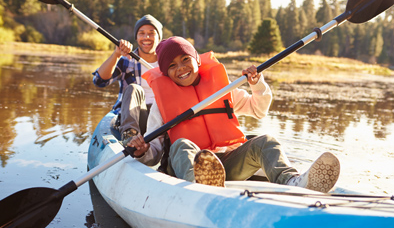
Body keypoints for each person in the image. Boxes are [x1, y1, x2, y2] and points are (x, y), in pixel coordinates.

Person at [128, 36, 340, 193]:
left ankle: (292, 181)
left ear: (197, 60)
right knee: (181, 144)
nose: (181, 68)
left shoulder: (222, 91)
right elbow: (154, 152)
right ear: (165, 73)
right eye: (172, 66)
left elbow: (258, 109)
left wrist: (256, 85)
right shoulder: (161, 105)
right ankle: (197, 187)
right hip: (188, 168)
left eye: (185, 59)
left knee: (266, 141)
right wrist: (142, 150)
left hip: (227, 164)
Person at [92, 14, 163, 143]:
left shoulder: (167, 64)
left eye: (151, 33)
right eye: (141, 33)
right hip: (135, 116)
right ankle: (130, 136)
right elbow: (99, 81)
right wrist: (116, 55)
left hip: (160, 118)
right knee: (134, 89)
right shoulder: (126, 61)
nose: (146, 37)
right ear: (136, 37)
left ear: (159, 37)